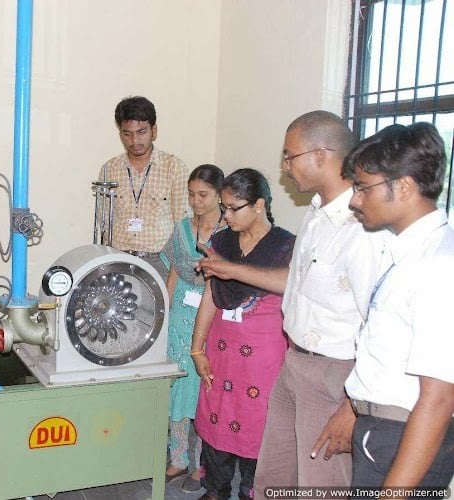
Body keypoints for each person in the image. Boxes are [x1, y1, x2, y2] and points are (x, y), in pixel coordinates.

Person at [198, 111, 388, 496]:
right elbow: (292, 281)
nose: (284, 167)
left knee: (321, 484)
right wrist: (231, 271)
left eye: (290, 155)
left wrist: (353, 405)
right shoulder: (318, 214)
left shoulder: (363, 226)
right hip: (295, 362)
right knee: (275, 479)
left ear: (320, 155)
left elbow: (378, 322)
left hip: (334, 373)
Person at [342, 123, 454, 492]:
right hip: (383, 431)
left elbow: (438, 398)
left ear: (404, 186)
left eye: (362, 187)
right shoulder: (408, 253)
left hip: (404, 437)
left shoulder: (437, 265)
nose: (355, 199)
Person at [190, 168, 295, 500]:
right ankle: (215, 490)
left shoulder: (285, 246)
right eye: (224, 207)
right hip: (222, 351)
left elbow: (290, 285)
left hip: (262, 358)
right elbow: (211, 295)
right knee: (217, 419)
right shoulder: (221, 242)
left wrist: (230, 269)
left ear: (260, 204)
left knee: (256, 424)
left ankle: (253, 490)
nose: (227, 215)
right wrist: (197, 348)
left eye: (235, 207)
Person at [160, 164, 225, 491]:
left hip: (214, 310)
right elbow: (173, 272)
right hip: (181, 315)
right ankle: (178, 458)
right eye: (191, 195)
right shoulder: (183, 227)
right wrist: (164, 313)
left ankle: (202, 463)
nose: (196, 202)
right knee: (177, 385)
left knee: (205, 387)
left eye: (203, 195)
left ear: (219, 195)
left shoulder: (229, 229)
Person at [98, 95, 188, 279]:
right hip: (119, 259)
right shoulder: (110, 169)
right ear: (120, 133)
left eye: (141, 132)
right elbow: (104, 221)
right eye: (127, 134)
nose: (134, 140)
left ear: (154, 131)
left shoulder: (174, 167)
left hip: (160, 262)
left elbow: (182, 222)